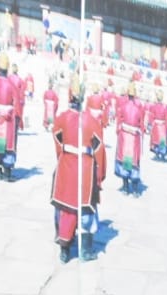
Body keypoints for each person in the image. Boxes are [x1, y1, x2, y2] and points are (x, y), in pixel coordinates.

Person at [50, 75, 106, 263]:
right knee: (86, 210)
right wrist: (99, 175)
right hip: (85, 168)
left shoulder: (62, 118)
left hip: (66, 165)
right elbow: (99, 149)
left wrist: (62, 155)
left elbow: (57, 137)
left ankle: (64, 249)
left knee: (65, 208)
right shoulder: (91, 121)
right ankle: (85, 250)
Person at [0, 52, 20, 181]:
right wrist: (16, 119)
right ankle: (7, 173)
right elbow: (16, 104)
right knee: (7, 146)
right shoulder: (11, 85)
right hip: (8, 119)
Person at [113, 81, 144, 195]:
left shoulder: (123, 107)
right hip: (134, 138)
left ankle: (125, 186)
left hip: (124, 136)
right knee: (134, 161)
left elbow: (119, 121)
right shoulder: (138, 109)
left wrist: (118, 132)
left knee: (124, 160)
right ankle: (135, 188)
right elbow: (141, 125)